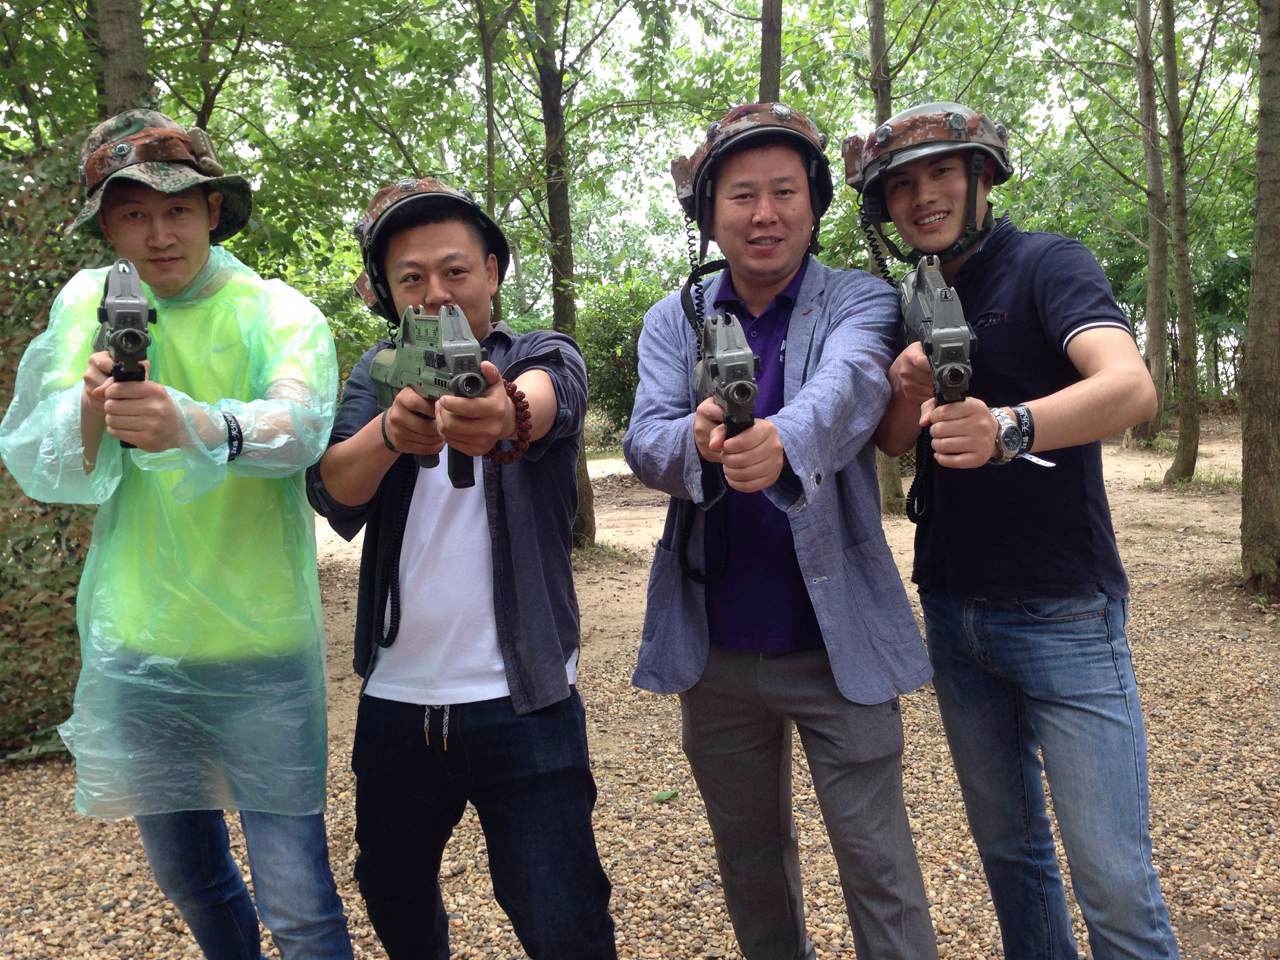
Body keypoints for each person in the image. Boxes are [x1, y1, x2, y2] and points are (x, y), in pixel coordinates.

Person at [0, 110, 351, 959]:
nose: (159, 235)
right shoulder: (87, 303)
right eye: (133, 214)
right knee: (190, 877)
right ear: (107, 226)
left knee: (298, 900)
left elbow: (302, 425)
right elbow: (43, 461)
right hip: (139, 648)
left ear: (212, 211)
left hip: (261, 650)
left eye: (178, 210)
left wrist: (197, 424)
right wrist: (92, 403)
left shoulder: (275, 310)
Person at [844, 100, 1180, 959]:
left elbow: (1132, 387)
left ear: (982, 177)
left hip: (1065, 611)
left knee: (1113, 883)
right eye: (903, 186)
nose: (923, 196)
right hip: (954, 611)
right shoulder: (914, 297)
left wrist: (1011, 428)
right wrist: (908, 385)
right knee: (1012, 858)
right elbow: (892, 441)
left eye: (942, 173)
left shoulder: (1046, 265)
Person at [623, 102, 938, 960]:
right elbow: (643, 437)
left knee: (879, 867)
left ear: (814, 202)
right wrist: (690, 443)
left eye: (785, 192)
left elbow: (853, 383)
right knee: (751, 864)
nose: (765, 214)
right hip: (716, 647)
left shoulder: (861, 298)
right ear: (709, 213)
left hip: (837, 641)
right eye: (741, 195)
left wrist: (781, 441)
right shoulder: (673, 318)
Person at [305, 176, 615, 959]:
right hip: (396, 700)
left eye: (455, 270)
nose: (436, 292)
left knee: (564, 918)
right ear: (388, 291)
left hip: (526, 698)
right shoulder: (377, 371)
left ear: (492, 272)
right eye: (412, 277)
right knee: (394, 897)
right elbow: (333, 490)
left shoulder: (537, 350)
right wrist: (390, 433)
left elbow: (549, 394)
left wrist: (503, 413)